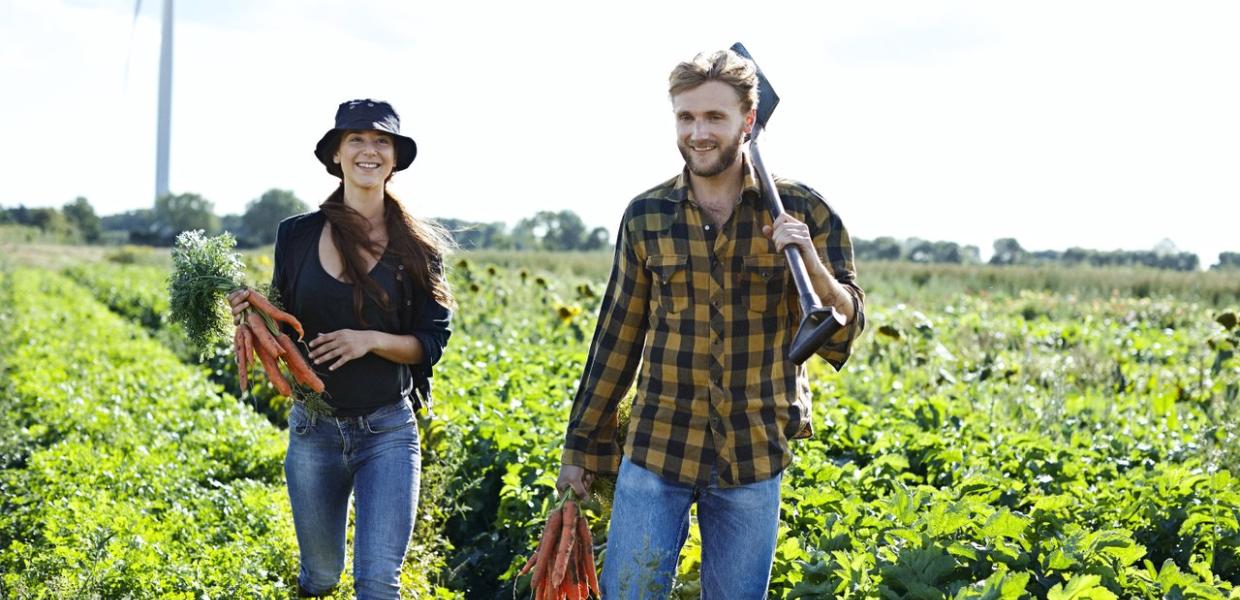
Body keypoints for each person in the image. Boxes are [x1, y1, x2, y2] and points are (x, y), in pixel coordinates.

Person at [555, 49, 865, 598]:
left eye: (714, 118)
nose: (698, 132)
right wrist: (581, 445)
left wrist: (810, 261)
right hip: (658, 447)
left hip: (752, 451)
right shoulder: (647, 215)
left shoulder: (803, 210)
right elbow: (616, 336)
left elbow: (843, 327)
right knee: (630, 592)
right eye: (686, 117)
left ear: (748, 121)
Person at [229, 99, 453, 599]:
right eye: (356, 140)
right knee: (322, 578)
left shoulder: (418, 249)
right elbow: (282, 317)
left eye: (381, 142)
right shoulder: (297, 235)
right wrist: (250, 313)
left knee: (377, 585)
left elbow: (431, 343)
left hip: (387, 432)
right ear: (336, 155)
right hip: (314, 430)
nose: (368, 150)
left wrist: (368, 340)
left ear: (394, 158)